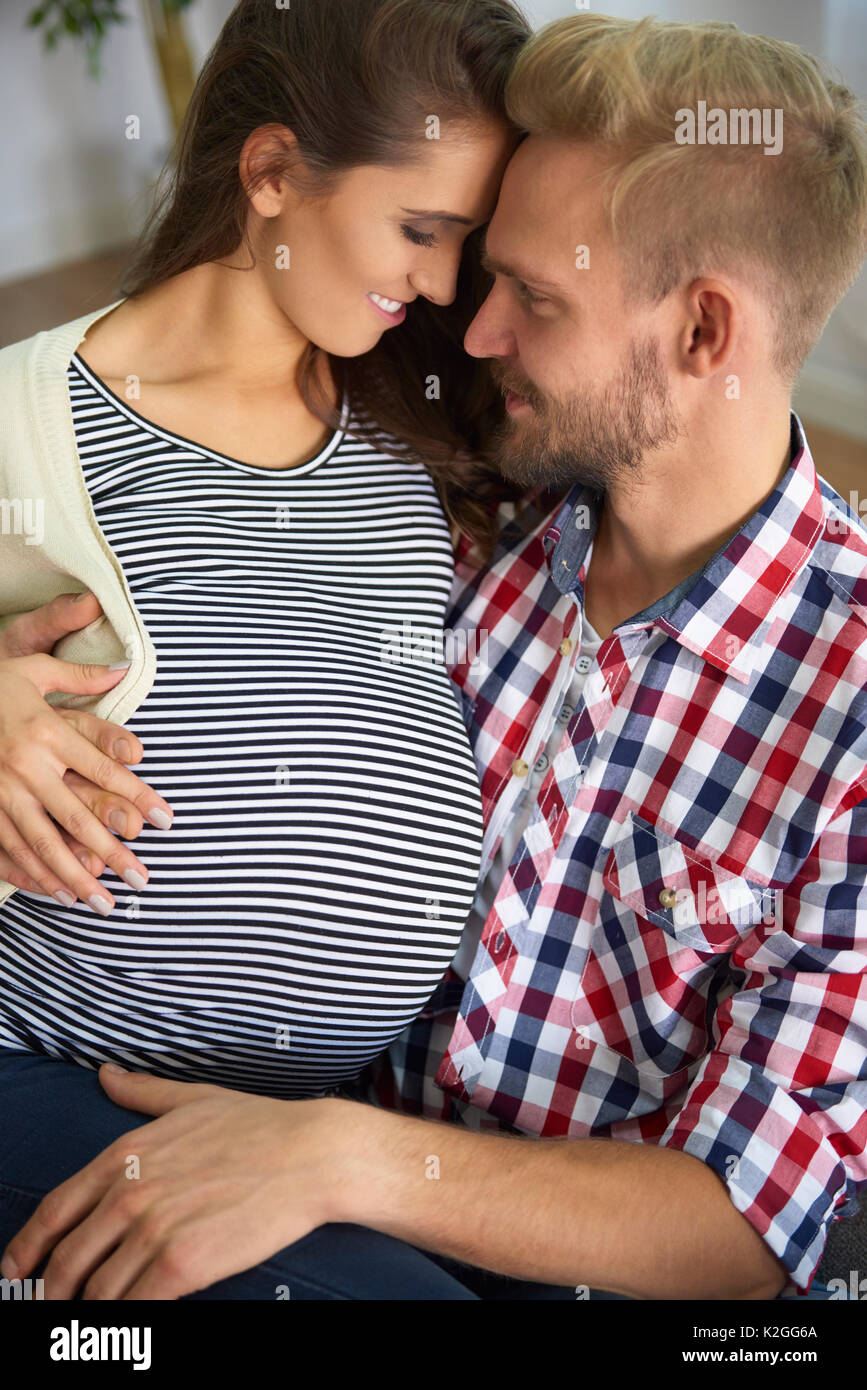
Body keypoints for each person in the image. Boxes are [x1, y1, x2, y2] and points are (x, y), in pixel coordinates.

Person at [2, 10, 866, 1301]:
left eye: (531, 293)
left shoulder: (844, 704)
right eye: (469, 259)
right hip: (178, 1093)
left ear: (701, 335)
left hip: (510, 1228)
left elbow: (752, 1218)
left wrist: (347, 1160)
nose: (470, 328)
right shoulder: (489, 494)